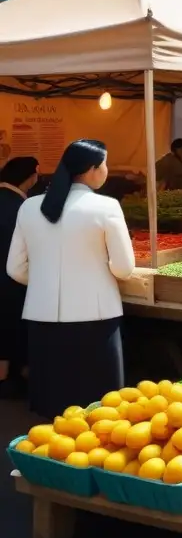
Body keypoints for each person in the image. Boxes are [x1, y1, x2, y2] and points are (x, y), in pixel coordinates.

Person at [7, 140, 135, 418]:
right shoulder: (106, 206)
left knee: (53, 407)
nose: (106, 170)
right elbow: (124, 268)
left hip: (42, 317)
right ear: (91, 169)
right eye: (104, 165)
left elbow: (15, 268)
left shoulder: (29, 206)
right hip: (96, 318)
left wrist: (45, 280)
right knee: (99, 409)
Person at [0, 157, 37, 398]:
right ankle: (14, 378)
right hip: (11, 278)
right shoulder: (22, 208)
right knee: (12, 325)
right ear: (29, 177)